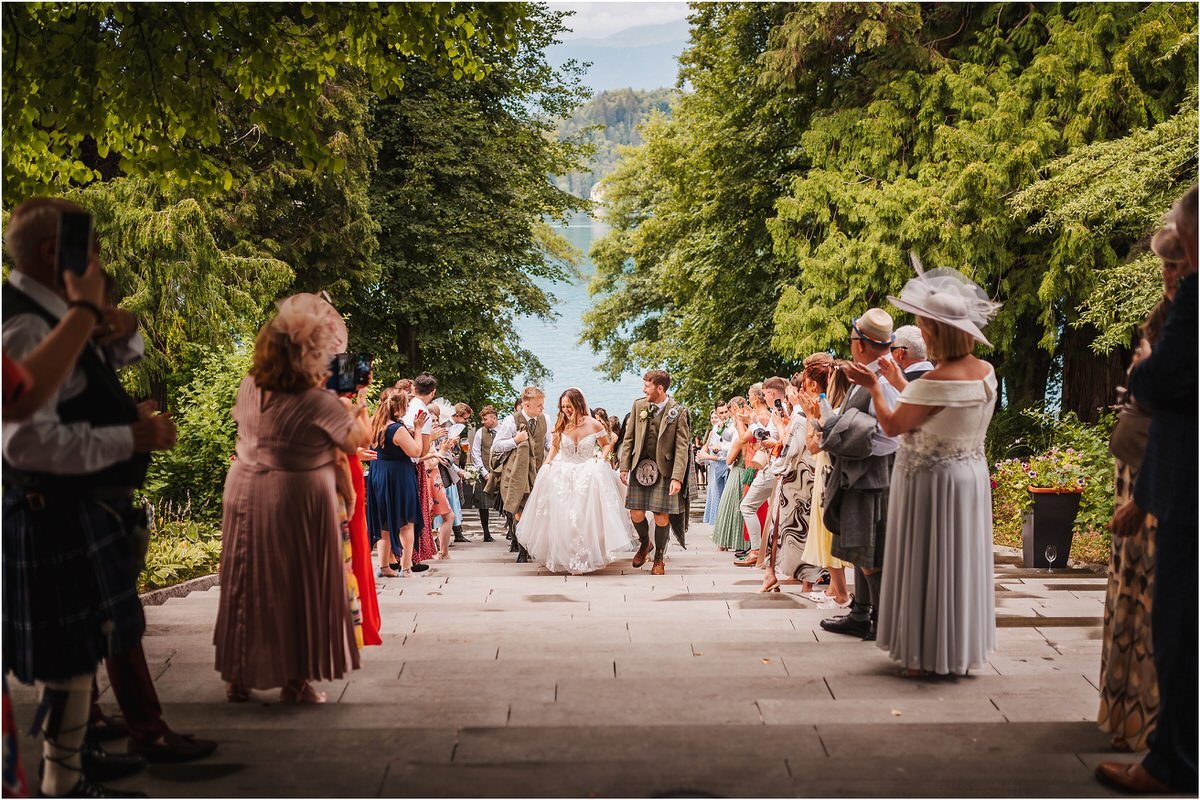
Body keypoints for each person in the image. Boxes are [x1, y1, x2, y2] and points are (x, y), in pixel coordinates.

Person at [2, 197, 184, 797]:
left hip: (68, 508)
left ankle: (68, 771)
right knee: (69, 657)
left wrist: (109, 318)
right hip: (50, 510)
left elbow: (95, 368)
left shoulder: (51, 315)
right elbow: (26, 442)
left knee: (78, 657)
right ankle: (62, 779)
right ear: (58, 255)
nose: (101, 260)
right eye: (92, 248)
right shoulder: (30, 324)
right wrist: (130, 435)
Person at [215, 293, 371, 705]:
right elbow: (357, 443)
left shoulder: (250, 384)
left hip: (245, 489)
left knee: (247, 581)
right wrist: (352, 399)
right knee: (299, 584)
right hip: (297, 499)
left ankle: (239, 676)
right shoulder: (319, 401)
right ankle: (295, 680)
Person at [846, 268, 1000, 676]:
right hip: (969, 476)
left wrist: (877, 388)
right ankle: (956, 650)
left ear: (934, 332)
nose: (920, 334)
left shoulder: (935, 378)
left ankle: (926, 655)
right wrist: (898, 380)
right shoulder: (986, 372)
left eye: (922, 327)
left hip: (930, 482)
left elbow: (895, 425)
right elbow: (939, 412)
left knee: (928, 560)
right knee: (958, 563)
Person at [1096, 186, 1198, 795]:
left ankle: (1170, 763)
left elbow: (1162, 387)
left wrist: (1140, 371)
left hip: (1182, 485)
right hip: (1165, 479)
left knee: (1180, 626)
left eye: (1180, 250)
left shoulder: (1192, 300)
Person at [818, 308, 901, 642]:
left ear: (862, 344)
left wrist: (840, 433)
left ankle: (888, 623)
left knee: (871, 557)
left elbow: (889, 436)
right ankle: (861, 613)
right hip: (857, 476)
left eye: (853, 340)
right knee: (860, 551)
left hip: (871, 478)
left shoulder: (882, 380)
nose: (851, 345)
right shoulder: (865, 374)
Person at [516, 389, 636, 573]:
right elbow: (555, 448)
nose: (566, 410)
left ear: (579, 404)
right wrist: (547, 465)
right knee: (564, 516)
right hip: (564, 473)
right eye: (563, 407)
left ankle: (585, 555)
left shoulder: (593, 424)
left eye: (569, 406)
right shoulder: (561, 422)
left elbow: (606, 444)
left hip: (587, 473)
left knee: (584, 516)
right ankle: (566, 555)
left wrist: (601, 460)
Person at [617, 370, 691, 575]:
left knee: (660, 515)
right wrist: (624, 466)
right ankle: (644, 543)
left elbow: (682, 447)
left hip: (664, 470)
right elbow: (629, 438)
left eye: (647, 386)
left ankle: (659, 558)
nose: (643, 389)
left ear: (660, 388)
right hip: (640, 467)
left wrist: (677, 477)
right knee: (636, 513)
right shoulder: (638, 405)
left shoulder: (677, 411)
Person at [798, 359, 853, 607]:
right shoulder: (839, 405)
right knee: (825, 527)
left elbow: (813, 445)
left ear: (811, 384)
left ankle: (841, 593)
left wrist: (810, 416)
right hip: (826, 468)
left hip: (827, 471)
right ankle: (833, 589)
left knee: (827, 527)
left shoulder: (827, 408)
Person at [366, 389, 427, 578]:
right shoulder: (396, 429)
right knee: (406, 522)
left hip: (378, 475)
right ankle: (406, 567)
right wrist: (417, 429)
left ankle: (383, 566)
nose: (408, 408)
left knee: (384, 521)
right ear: (400, 407)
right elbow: (416, 451)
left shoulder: (374, 425)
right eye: (407, 406)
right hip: (398, 476)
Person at [735, 376, 791, 568]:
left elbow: (781, 440)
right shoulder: (778, 410)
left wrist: (755, 426)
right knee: (774, 512)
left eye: (766, 393)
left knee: (747, 506)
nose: (764, 397)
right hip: (772, 466)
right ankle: (766, 551)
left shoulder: (779, 412)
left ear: (772, 393)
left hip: (773, 467)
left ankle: (757, 549)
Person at [492, 387, 552, 563]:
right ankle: (522, 549)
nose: (542, 408)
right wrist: (515, 441)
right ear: (526, 404)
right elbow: (497, 446)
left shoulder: (545, 419)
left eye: (542, 404)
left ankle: (532, 545)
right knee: (519, 509)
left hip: (538, 471)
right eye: (539, 405)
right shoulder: (511, 420)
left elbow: (549, 443)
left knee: (536, 510)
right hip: (516, 472)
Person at [711, 396, 750, 551]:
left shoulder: (740, 434)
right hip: (746, 470)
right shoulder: (747, 428)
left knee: (730, 507)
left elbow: (729, 459)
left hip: (738, 470)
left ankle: (729, 542)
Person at [470, 405, 500, 542]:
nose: (483, 422)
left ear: (494, 418)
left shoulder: (504, 430)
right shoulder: (480, 433)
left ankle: (512, 532)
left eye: (485, 419)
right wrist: (484, 473)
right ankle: (486, 533)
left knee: (508, 502)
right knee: (483, 505)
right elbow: (475, 454)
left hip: (502, 473)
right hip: (485, 473)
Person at [699, 410, 731, 525]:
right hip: (713, 467)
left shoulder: (725, 431)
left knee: (721, 497)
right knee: (714, 496)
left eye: (716, 417)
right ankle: (716, 526)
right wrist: (702, 456)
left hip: (722, 466)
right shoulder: (712, 432)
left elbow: (725, 453)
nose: (713, 420)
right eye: (712, 417)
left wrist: (708, 456)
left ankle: (721, 525)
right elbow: (706, 446)